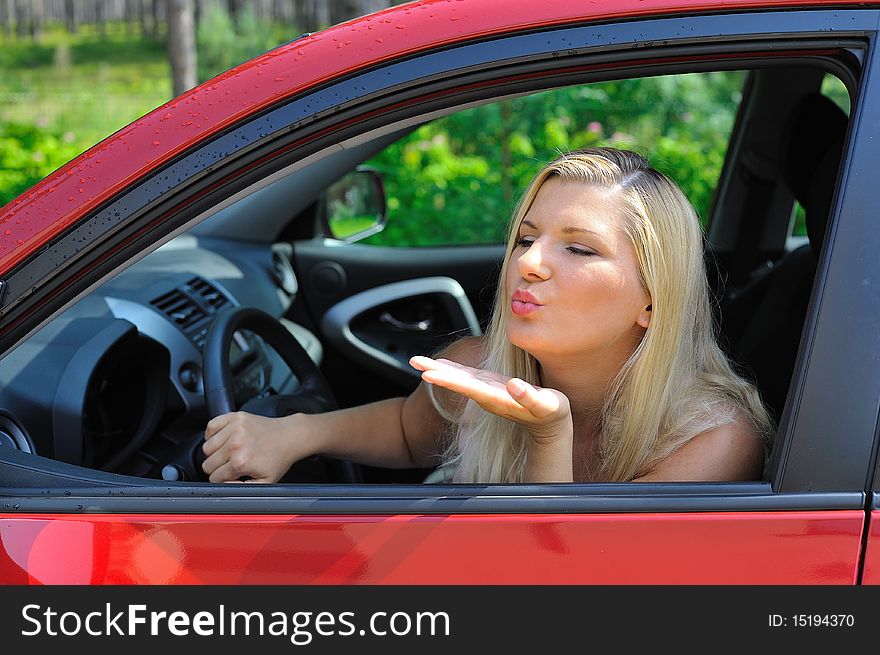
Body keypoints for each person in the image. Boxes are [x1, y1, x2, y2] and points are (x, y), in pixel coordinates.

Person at [202, 147, 773, 484]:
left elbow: (569, 593)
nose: (529, 263)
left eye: (579, 248)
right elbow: (406, 433)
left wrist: (546, 434)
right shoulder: (480, 367)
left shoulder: (713, 440)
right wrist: (294, 433)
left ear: (653, 299)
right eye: (525, 238)